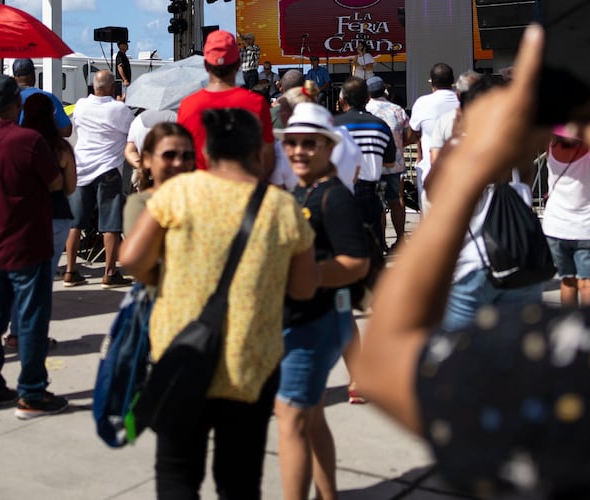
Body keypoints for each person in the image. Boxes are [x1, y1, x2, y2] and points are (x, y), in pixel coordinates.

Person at [356, 11, 590, 498]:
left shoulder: (580, 374)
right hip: (521, 263)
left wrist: (473, 160)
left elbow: (384, 360)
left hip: (481, 271)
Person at [121, 108, 318, 499]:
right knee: (240, 481)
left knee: (177, 474)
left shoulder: (178, 193)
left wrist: (162, 279)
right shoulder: (281, 206)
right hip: (251, 364)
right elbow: (303, 290)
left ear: (206, 149)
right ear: (260, 155)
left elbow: (130, 259)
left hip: (181, 355)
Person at [274, 103, 369, 500]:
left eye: (308, 144)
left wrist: (309, 275)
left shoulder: (335, 197)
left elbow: (356, 262)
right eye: (292, 143)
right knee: (310, 417)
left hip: (317, 322)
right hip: (303, 319)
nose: (298, 151)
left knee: (291, 419)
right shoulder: (301, 189)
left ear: (329, 147)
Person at [0, 74, 68, 418]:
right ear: (15, 104)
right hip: (28, 243)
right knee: (30, 319)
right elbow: (55, 182)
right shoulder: (28, 141)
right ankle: (32, 392)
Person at [425, 76, 545, 331]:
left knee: (457, 355)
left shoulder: (460, 145)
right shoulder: (520, 143)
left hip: (474, 266)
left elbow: (432, 192)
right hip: (521, 259)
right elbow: (524, 184)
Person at [2, 92, 78, 350]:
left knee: (20, 277)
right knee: (43, 281)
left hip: (23, 217)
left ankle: (15, 332)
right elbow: (69, 188)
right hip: (55, 217)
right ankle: (36, 334)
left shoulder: (15, 144)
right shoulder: (61, 148)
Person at [64, 69, 134, 288]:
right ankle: (110, 273)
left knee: (76, 223)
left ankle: (70, 271)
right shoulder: (119, 109)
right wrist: (121, 103)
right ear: (112, 87)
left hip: (82, 168)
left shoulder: (81, 106)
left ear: (93, 86)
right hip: (108, 171)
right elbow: (131, 132)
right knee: (110, 225)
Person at [178, 29, 275, 177]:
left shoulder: (187, 105)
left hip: (201, 193)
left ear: (205, 65)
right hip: (245, 192)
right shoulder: (257, 103)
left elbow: (182, 160)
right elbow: (267, 160)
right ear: (237, 65)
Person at [543, 127, 590, 307]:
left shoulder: (550, 147)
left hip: (556, 225)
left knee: (567, 281)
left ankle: (569, 326)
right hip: (589, 227)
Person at [333, 77, 396, 255]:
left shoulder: (334, 126)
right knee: (373, 244)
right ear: (367, 98)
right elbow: (390, 162)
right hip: (371, 192)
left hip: (341, 191)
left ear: (342, 100)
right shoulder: (381, 126)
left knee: (344, 245)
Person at [122, 122, 195, 235]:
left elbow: (129, 150)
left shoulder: (199, 198)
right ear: (147, 159)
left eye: (187, 156)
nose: (178, 163)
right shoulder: (141, 204)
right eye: (169, 155)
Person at [365, 76, 409, 250]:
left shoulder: (366, 109)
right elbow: (410, 135)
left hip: (373, 165)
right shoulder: (397, 109)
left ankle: (381, 241)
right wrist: (399, 144)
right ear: (384, 90)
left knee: (378, 203)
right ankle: (400, 239)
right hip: (396, 164)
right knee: (397, 200)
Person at [407, 62, 458, 208]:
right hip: (461, 171)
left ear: (431, 81)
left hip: (430, 170)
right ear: (452, 82)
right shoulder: (462, 102)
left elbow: (412, 132)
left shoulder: (422, 103)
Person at [12, 58, 72, 138]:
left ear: (14, 77)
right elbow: (66, 130)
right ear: (33, 75)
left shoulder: (7, 99)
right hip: (40, 147)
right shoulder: (48, 97)